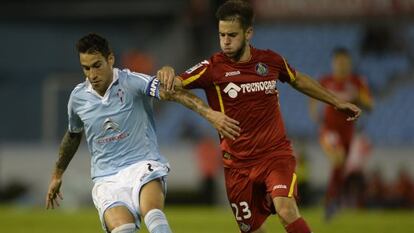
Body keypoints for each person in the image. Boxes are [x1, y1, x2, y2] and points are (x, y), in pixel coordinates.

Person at [165, 1, 361, 232]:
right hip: (237, 166)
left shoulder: (270, 61)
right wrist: (207, 112)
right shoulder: (212, 68)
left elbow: (297, 79)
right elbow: (170, 88)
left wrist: (336, 101)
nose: (225, 41)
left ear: (248, 33)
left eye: (232, 35)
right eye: (221, 35)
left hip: (275, 155)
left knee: (286, 210)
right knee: (253, 230)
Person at [45, 33, 240, 233]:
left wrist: (211, 115)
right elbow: (73, 135)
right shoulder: (78, 98)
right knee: (124, 228)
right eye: (86, 68)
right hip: (107, 178)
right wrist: (57, 175)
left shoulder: (132, 82)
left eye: (97, 65)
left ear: (110, 59)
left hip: (142, 165)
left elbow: (172, 93)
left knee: (153, 213)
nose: (92, 74)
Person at [309, 48, 374, 219]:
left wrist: (359, 99)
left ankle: (333, 200)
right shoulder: (326, 80)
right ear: (333, 63)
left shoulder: (357, 82)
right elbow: (312, 97)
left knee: (340, 167)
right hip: (329, 130)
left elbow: (370, 106)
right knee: (337, 158)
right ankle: (331, 201)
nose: (342, 65)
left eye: (345, 62)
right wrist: (315, 114)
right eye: (339, 62)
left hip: (348, 131)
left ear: (350, 63)